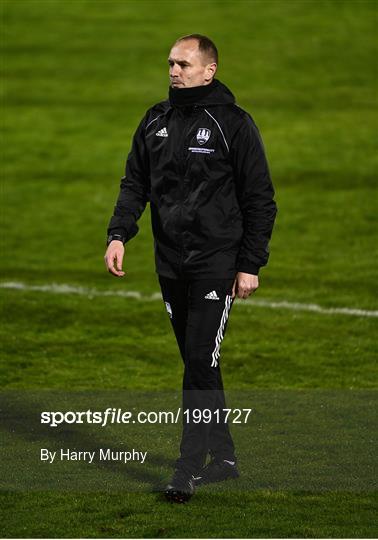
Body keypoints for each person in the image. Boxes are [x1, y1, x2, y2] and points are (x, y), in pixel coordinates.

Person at [104, 34, 277, 503]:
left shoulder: (233, 125)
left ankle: (187, 467)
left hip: (217, 263)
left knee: (199, 362)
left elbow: (260, 198)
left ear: (209, 70)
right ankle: (224, 459)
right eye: (170, 63)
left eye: (183, 64)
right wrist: (119, 232)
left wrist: (249, 264)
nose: (173, 71)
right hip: (170, 264)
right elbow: (135, 181)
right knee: (201, 364)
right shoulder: (154, 120)